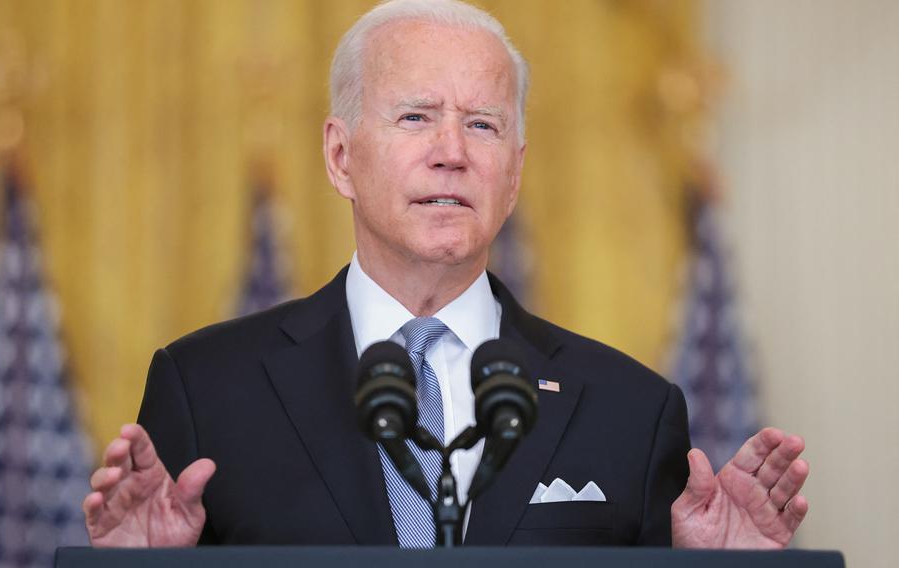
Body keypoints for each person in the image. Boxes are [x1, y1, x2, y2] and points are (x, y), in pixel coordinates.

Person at [83, 0, 808, 549]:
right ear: (341, 158)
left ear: (514, 175)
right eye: (415, 117)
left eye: (483, 125)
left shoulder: (631, 410)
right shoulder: (207, 388)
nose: (451, 152)